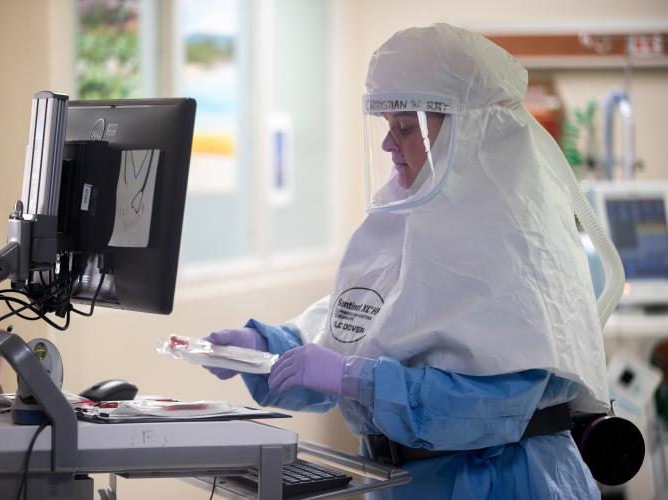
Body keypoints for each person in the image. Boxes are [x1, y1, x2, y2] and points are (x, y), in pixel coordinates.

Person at [205, 24, 607, 499]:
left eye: (405, 127)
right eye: (386, 126)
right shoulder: (405, 220)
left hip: (502, 483)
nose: (387, 145)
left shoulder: (518, 244)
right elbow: (354, 327)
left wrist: (356, 378)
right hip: (404, 483)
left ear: (467, 131)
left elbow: (491, 410)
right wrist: (265, 348)